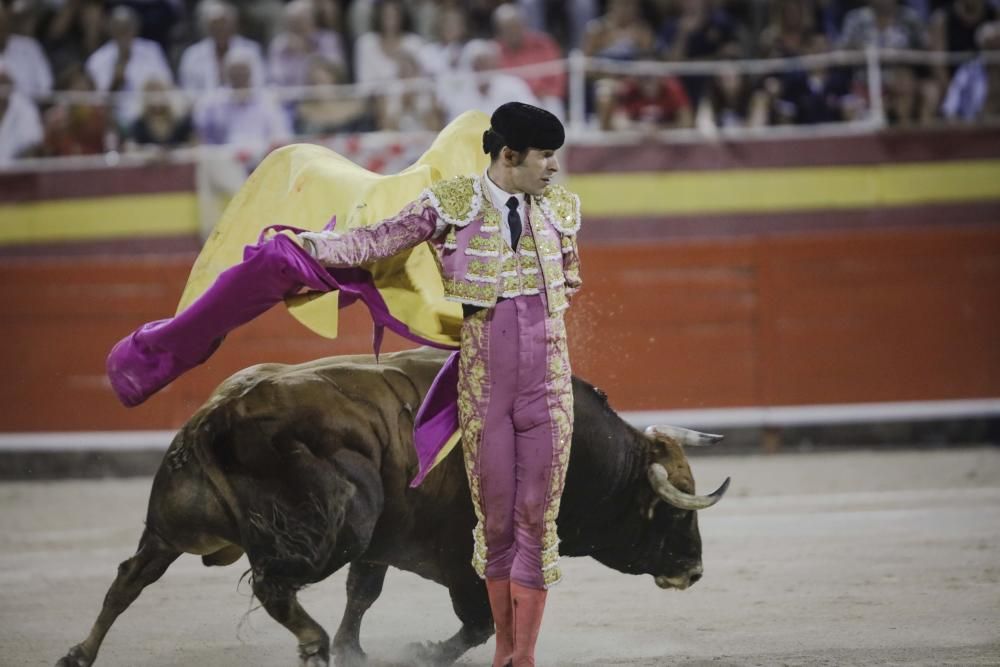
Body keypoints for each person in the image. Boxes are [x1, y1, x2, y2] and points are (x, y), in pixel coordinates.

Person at [105, 103, 580, 667]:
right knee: (498, 524)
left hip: (548, 392)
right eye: (546, 155)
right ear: (509, 155)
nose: (555, 167)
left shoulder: (564, 212)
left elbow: (565, 285)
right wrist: (306, 250)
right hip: (485, 391)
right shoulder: (452, 203)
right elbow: (374, 242)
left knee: (536, 522)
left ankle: (519, 656)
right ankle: (508, 653)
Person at [85, 5, 173, 124]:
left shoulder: (152, 50)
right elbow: (97, 101)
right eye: (119, 30)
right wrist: (115, 83)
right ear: (111, 30)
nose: (123, 35)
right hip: (112, 120)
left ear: (135, 29)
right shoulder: (97, 60)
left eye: (127, 29)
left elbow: (167, 83)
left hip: (148, 117)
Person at [178, 0, 266, 93]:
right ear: (207, 27)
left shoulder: (251, 50)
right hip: (203, 106)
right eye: (215, 25)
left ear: (233, 25)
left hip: (245, 104)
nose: (220, 29)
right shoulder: (192, 55)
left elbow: (259, 85)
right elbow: (188, 90)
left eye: (223, 24)